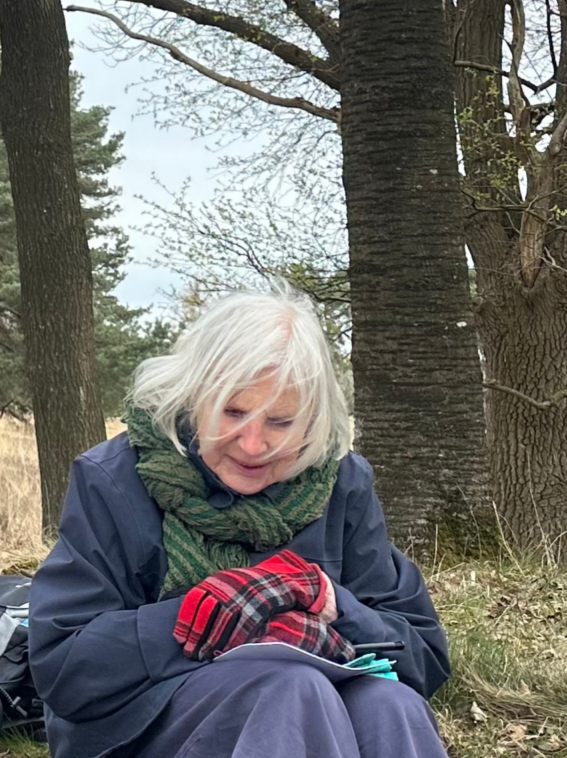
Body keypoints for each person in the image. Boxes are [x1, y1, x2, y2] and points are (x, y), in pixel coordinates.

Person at [27, 289, 451, 758]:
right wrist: (204, 615)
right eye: (233, 412)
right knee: (290, 688)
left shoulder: (342, 482)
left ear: (311, 420)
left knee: (391, 704)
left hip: (313, 698)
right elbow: (63, 667)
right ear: (194, 396)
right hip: (138, 724)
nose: (252, 444)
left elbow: (422, 660)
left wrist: (333, 605)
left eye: (280, 421)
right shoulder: (112, 478)